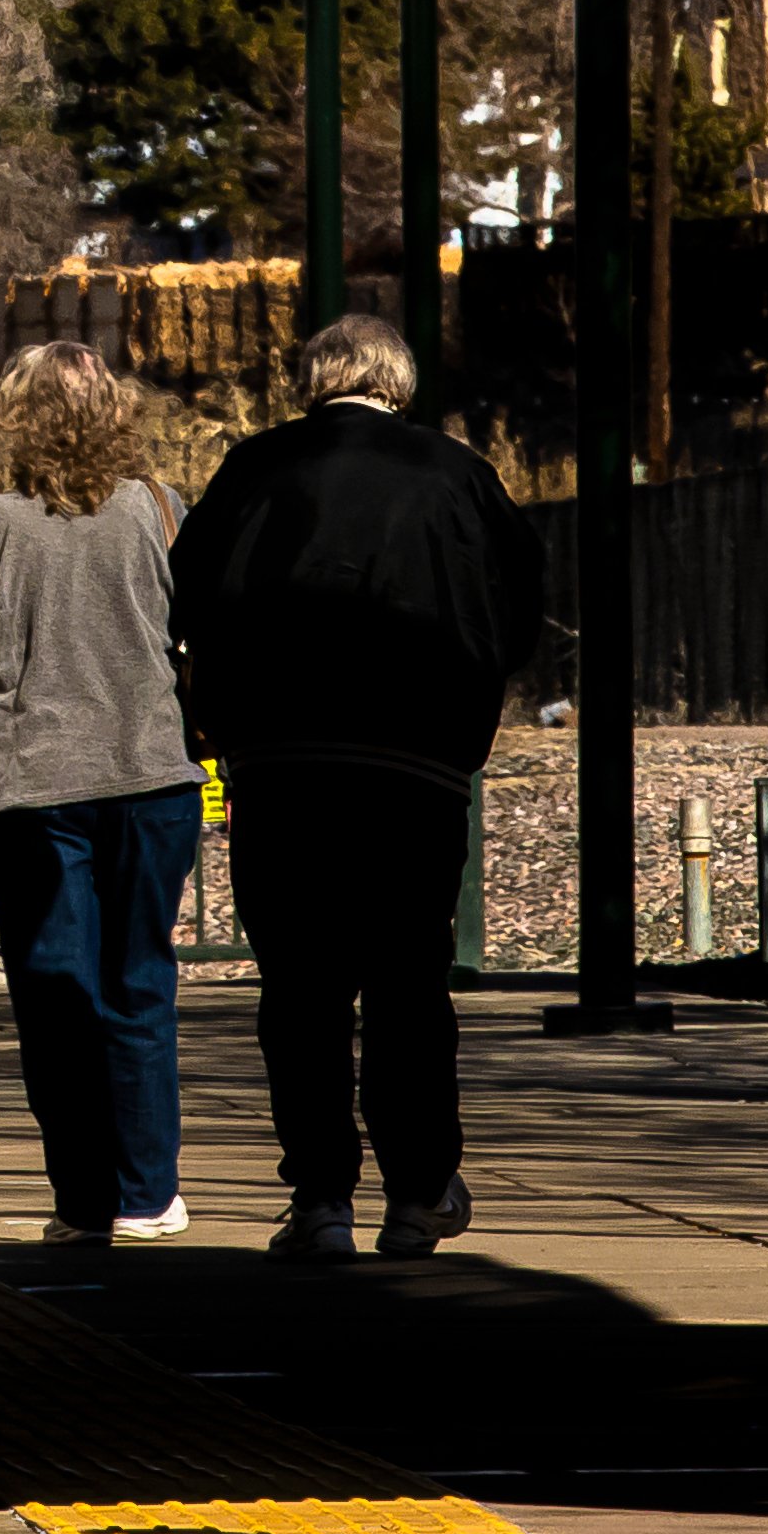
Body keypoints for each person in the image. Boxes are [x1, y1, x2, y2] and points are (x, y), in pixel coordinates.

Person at [168, 309, 545, 1259]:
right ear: (398, 381)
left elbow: (191, 595)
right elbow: (518, 609)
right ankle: (418, 1191)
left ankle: (321, 1198)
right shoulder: (458, 473)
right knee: (409, 981)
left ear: (313, 379)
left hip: (280, 764)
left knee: (300, 986)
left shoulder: (254, 468)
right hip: (413, 764)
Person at [0, 342, 207, 1244]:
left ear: (18, 417)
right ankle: (149, 1191)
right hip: (153, 778)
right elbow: (199, 640)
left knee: (54, 995)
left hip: (31, 789)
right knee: (141, 985)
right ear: (117, 412)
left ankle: (82, 1201)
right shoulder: (160, 510)